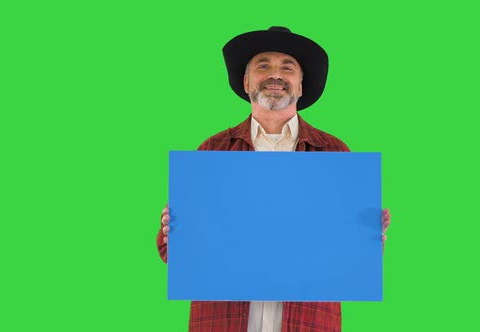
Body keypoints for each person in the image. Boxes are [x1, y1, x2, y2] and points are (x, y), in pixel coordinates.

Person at [156, 26, 391, 332]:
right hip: (222, 321)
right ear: (246, 81)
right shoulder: (213, 150)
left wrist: (367, 243)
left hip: (308, 321)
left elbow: (349, 260)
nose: (275, 75)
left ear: (301, 85)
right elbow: (174, 254)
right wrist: (173, 234)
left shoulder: (334, 154)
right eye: (263, 65)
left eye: (287, 67)